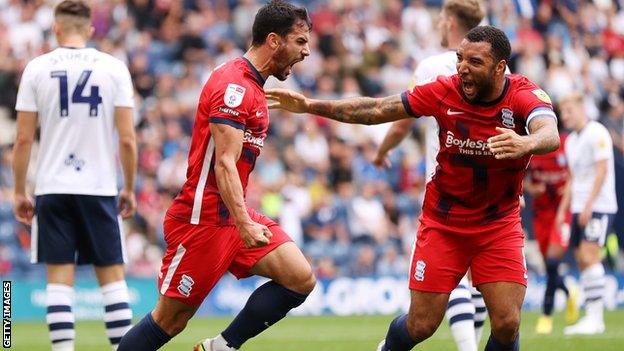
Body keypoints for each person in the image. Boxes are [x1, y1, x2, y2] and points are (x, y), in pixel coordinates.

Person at [267, 25, 560, 351]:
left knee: (507, 323)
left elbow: (549, 133)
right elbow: (376, 110)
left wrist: (526, 142)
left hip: (497, 223)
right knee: (421, 325)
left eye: (474, 62)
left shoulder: (522, 94)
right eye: (460, 59)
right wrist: (310, 105)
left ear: (500, 67)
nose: (462, 68)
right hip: (444, 223)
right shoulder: (443, 91)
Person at [117, 1, 315, 350]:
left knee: (299, 278)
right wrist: (243, 223)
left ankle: (219, 348)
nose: (307, 51)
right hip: (203, 218)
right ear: (273, 40)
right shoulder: (233, 86)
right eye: (299, 41)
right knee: (170, 320)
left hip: (231, 215)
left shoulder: (252, 86)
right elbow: (224, 163)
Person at [12, 1, 137, 350]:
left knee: (59, 283)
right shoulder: (113, 68)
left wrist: (20, 191)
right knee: (112, 280)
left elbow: (23, 139)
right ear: (91, 29)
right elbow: (127, 138)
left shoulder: (37, 69)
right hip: (98, 186)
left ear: (55, 28)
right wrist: (127, 187)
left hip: (53, 186)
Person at [373, 1, 491, 349]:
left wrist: (382, 152)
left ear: (451, 22)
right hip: (490, 188)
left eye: (441, 19)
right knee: (479, 278)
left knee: (451, 273)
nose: (439, 25)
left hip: (446, 188)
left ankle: (467, 347)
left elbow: (402, 121)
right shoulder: (496, 65)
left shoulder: (433, 66)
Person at [556, 91, 618, 335]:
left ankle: (596, 318)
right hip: (578, 207)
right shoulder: (570, 141)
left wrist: (590, 204)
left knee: (591, 255)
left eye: (569, 111)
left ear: (581, 108)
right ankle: (591, 316)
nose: (565, 116)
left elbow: (602, 171)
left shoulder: (597, 132)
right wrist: (563, 209)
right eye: (563, 113)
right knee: (581, 258)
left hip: (599, 206)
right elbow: (572, 179)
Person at [524, 130, 576, 334]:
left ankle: (546, 314)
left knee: (553, 262)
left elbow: (575, 174)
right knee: (549, 266)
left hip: (562, 212)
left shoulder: (566, 143)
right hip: (541, 214)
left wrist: (567, 197)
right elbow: (520, 178)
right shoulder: (530, 145)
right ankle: (569, 292)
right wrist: (530, 189)